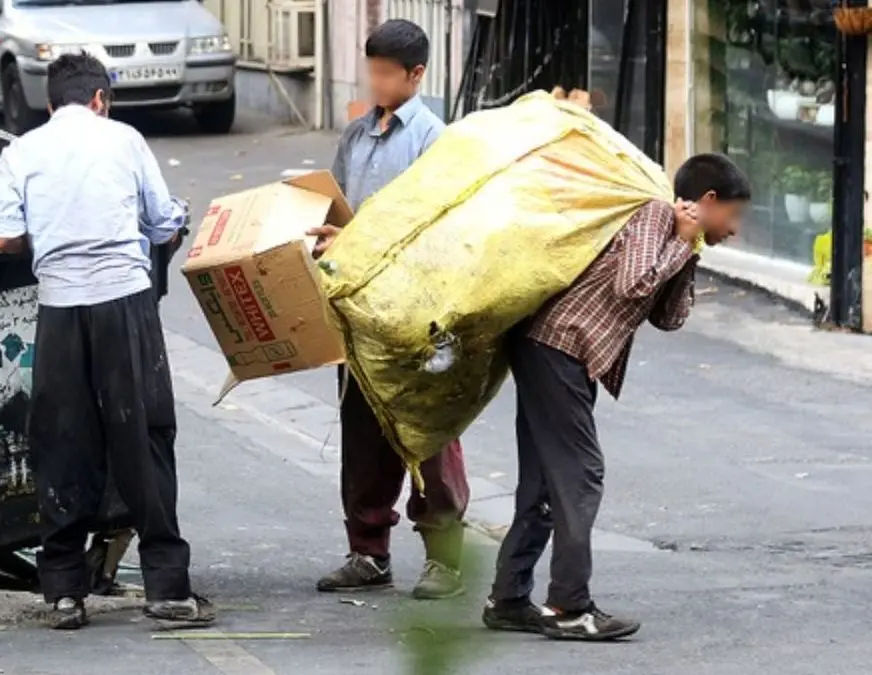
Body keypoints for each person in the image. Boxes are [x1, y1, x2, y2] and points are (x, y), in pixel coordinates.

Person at [0, 51, 214, 630]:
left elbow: (1, 235)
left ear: (51, 102)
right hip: (124, 306)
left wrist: (50, 240)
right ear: (101, 99)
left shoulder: (23, 150)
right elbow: (164, 222)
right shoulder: (124, 139)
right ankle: (167, 590)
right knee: (145, 437)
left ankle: (62, 591)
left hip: (59, 311)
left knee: (63, 444)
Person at [481, 153, 751, 641]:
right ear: (707, 201)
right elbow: (632, 285)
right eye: (732, 216)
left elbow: (667, 318)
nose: (733, 230)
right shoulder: (653, 214)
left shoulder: (679, 237)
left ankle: (508, 599)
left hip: (563, 353)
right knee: (581, 475)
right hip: (558, 345)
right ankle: (568, 606)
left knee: (545, 480)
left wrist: (687, 252)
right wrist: (680, 241)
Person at [309, 19, 470, 601]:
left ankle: (445, 559)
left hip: (418, 312)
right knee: (362, 433)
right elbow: (344, 212)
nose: (374, 82)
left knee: (427, 431)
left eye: (385, 73)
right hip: (357, 308)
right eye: (369, 70)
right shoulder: (355, 138)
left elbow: (433, 227)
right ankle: (368, 551)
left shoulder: (434, 140)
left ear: (416, 74)